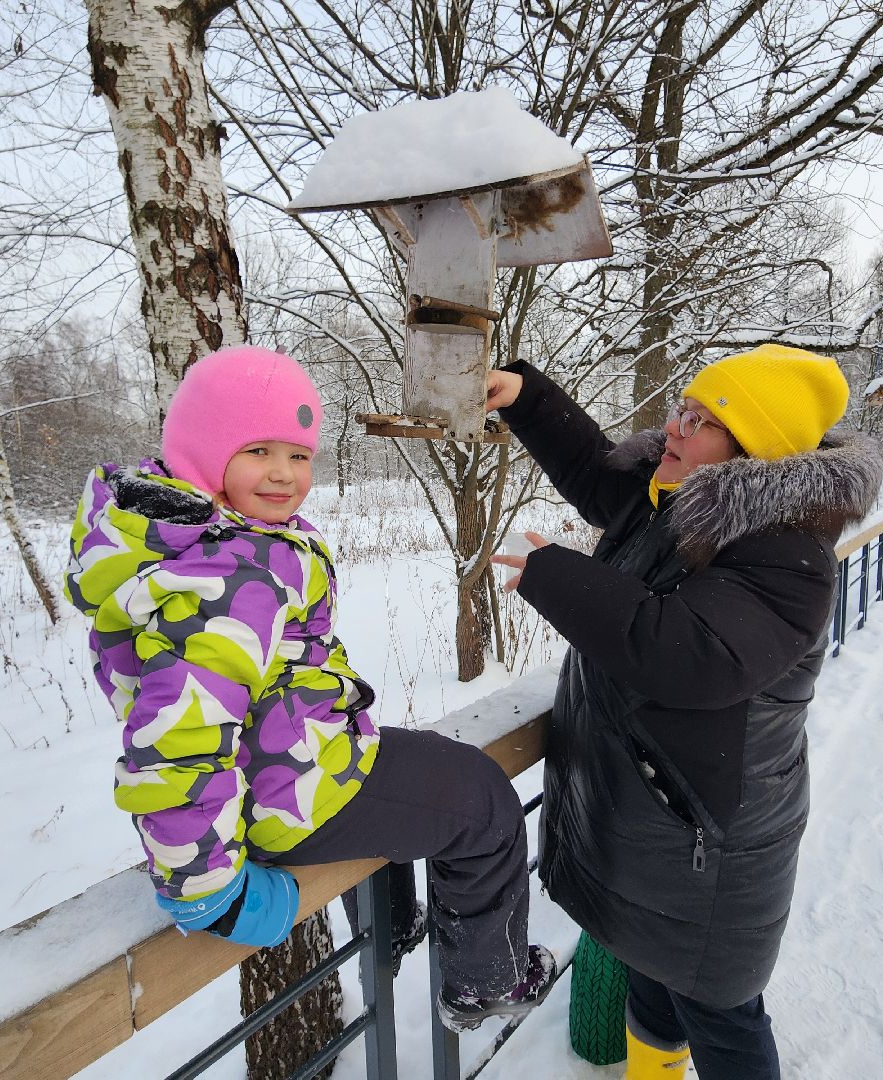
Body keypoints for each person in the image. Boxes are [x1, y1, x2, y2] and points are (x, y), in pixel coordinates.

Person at [64, 345, 554, 1031]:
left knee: (409, 765)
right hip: (285, 791)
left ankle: (392, 922)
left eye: (299, 455)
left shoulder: (190, 537)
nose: (285, 475)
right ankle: (489, 979)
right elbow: (179, 733)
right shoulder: (234, 573)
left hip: (286, 766)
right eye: (259, 449)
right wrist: (204, 891)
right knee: (484, 804)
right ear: (203, 452)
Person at [487, 344, 883, 1080]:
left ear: (749, 454)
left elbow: (688, 656)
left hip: (710, 841)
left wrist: (559, 577)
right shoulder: (677, 496)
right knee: (654, 977)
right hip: (659, 825)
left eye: (701, 422)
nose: (674, 428)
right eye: (683, 408)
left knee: (721, 1010)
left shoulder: (788, 556)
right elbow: (595, 473)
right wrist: (523, 396)